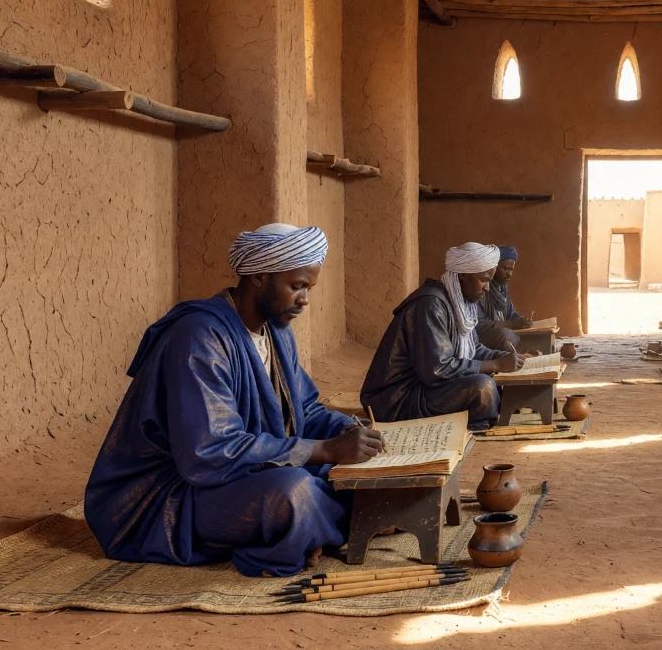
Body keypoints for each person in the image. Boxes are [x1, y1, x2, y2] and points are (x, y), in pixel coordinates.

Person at [84, 224, 383, 577]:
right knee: (293, 496)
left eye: (308, 289)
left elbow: (303, 411)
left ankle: (312, 531)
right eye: (296, 286)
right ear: (259, 276)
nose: (304, 301)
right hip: (168, 497)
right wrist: (326, 451)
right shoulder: (199, 337)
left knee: (351, 476)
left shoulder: (277, 334)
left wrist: (349, 431)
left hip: (236, 475)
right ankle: (317, 528)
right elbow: (211, 453)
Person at [360, 242, 525, 429]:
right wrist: (496, 365)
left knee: (493, 382)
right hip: (397, 399)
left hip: (424, 388)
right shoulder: (431, 304)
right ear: (463, 275)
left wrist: (503, 358)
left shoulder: (459, 301)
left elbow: (473, 348)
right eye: (484, 279)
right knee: (483, 388)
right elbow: (437, 369)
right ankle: (472, 427)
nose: (487, 288)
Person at [476, 245, 530, 351]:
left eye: (511, 270)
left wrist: (522, 321)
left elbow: (511, 314)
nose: (509, 274)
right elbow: (478, 323)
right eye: (505, 269)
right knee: (506, 334)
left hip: (503, 333)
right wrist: (509, 325)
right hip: (482, 337)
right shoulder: (481, 287)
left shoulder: (502, 289)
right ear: (494, 267)